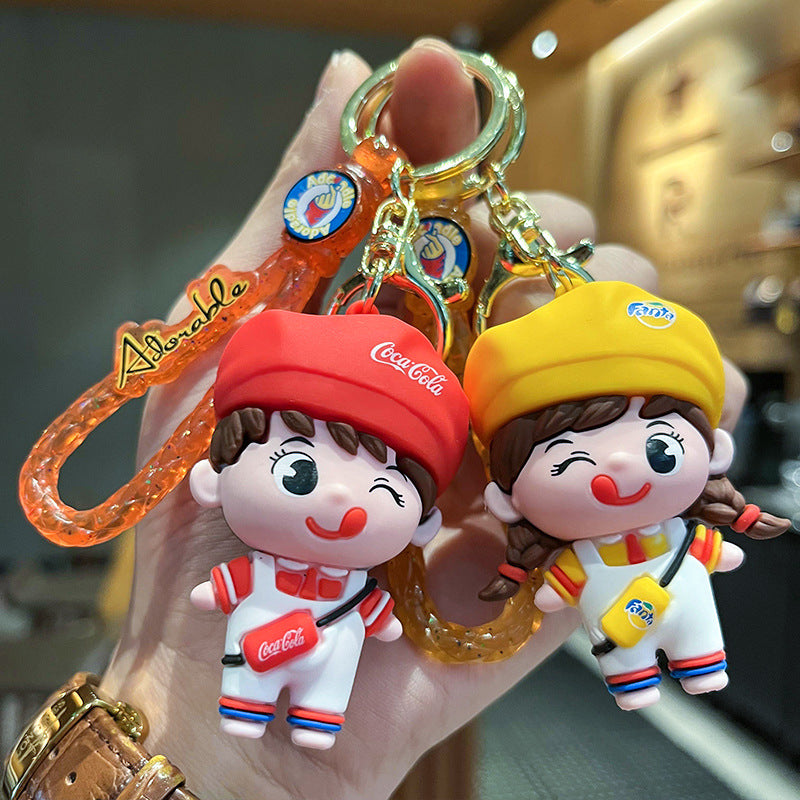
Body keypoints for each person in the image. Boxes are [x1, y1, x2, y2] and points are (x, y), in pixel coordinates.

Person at [99, 39, 747, 800]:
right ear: (213, 479)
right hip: (280, 646)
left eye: (383, 483)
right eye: (300, 470)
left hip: (368, 631)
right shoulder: (282, 551)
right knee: (277, 697)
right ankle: (274, 716)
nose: (341, 499)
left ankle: (680, 663)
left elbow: (523, 589)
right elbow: (251, 592)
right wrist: (198, 730)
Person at [464, 281, 788, 711]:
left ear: (715, 454)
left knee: (697, 639)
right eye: (569, 462)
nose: (619, 464)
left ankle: (701, 663)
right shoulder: (584, 556)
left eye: (659, 447)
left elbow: (717, 554)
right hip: (617, 627)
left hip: (680, 605)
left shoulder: (676, 538)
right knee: (625, 658)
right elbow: (557, 590)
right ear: (507, 499)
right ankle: (633, 681)